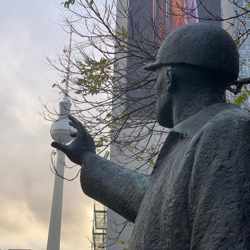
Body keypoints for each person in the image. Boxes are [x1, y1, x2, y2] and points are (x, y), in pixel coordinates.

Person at [52, 23, 250, 249]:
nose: (155, 86)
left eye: (156, 75)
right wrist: (88, 158)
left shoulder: (227, 131)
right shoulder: (195, 138)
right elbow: (153, 200)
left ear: (169, 77)